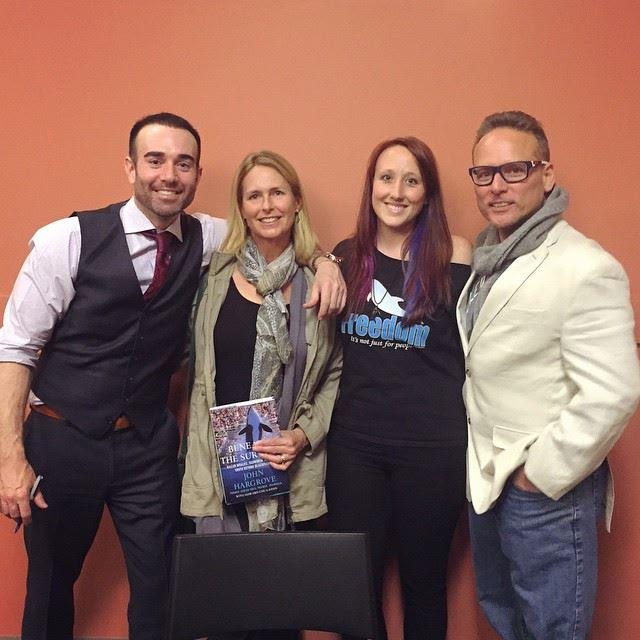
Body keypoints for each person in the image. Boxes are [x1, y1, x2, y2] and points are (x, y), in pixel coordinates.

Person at [0, 113, 345, 640]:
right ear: (130, 167)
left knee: (162, 587)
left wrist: (327, 261)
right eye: (155, 160)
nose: (169, 175)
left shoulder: (209, 237)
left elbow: (275, 233)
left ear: (197, 174)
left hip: (145, 447)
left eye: (183, 163)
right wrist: (10, 458)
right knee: (49, 586)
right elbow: (16, 348)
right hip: (62, 437)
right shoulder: (65, 240)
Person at [458, 110, 640, 640]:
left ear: (546, 174)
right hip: (486, 480)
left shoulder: (586, 266)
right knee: (504, 617)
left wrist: (537, 476)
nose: (496, 186)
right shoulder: (488, 258)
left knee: (552, 630)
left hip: (545, 492)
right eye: (483, 173)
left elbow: (614, 391)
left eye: (514, 170)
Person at [180, 150, 342, 640]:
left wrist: (303, 435)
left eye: (277, 193)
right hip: (219, 469)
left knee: (280, 614)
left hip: (288, 470)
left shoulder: (319, 284)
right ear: (241, 207)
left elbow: (334, 372)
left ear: (297, 202)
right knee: (223, 615)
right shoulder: (212, 275)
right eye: (254, 195)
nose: (267, 205)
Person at [326, 137, 472, 640]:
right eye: (386, 178)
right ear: (371, 186)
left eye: (411, 181)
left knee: (424, 585)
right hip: (355, 448)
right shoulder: (346, 256)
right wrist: (322, 260)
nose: (396, 192)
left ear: (427, 193)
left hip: (433, 450)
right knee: (353, 585)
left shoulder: (456, 256)